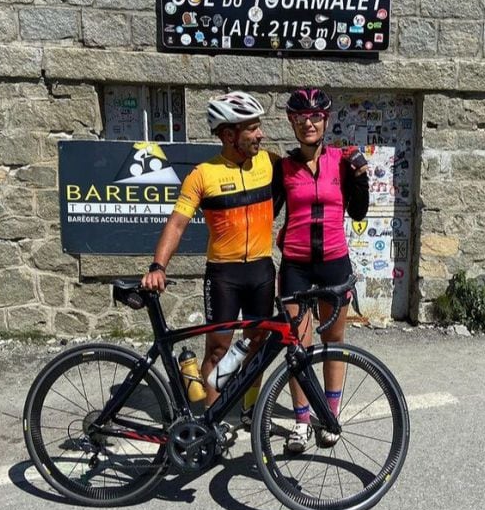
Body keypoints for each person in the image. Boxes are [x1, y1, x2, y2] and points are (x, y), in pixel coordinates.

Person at [142, 91, 278, 424]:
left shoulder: (270, 162)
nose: (260, 134)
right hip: (224, 275)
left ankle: (249, 410)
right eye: (252, 128)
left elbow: (309, 167)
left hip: (262, 269)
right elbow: (176, 224)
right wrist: (158, 266)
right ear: (230, 135)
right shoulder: (203, 175)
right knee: (218, 349)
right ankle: (212, 421)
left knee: (257, 344)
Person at [273, 87, 369, 453]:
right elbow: (265, 210)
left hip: (333, 261)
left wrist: (361, 178)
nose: (308, 123)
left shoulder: (342, 162)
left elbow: (358, 212)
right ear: (291, 122)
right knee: (298, 345)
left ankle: (329, 416)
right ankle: (301, 422)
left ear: (325, 120)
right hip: (295, 263)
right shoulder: (283, 167)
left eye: (315, 117)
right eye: (301, 118)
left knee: (333, 342)